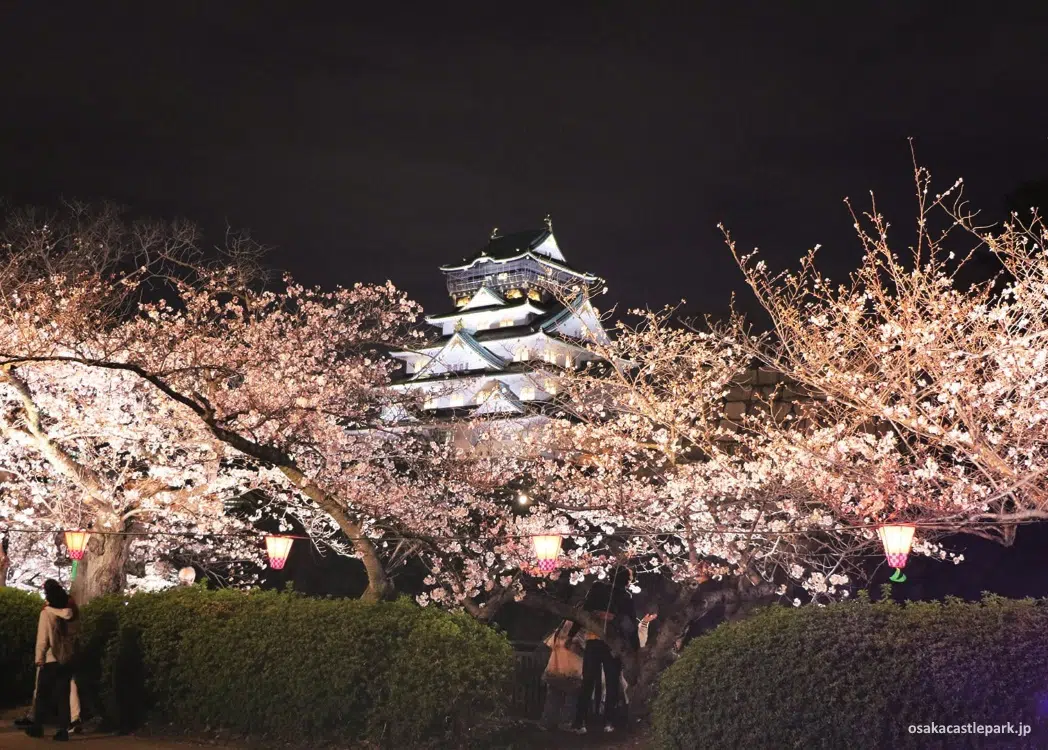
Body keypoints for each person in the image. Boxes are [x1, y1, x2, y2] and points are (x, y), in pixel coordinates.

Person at [15, 597, 82, 733]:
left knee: (41, 691)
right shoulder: (72, 613)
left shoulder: (47, 613)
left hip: (50, 657)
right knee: (68, 690)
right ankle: (72, 721)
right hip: (68, 656)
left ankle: (36, 722)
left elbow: (42, 638)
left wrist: (39, 658)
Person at [572, 609, 619, 734]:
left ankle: (609, 720)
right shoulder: (595, 596)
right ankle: (580, 720)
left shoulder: (621, 597)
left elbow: (626, 618)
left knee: (612, 683)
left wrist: (613, 618)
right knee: (587, 681)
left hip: (613, 642)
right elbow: (582, 615)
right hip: (593, 641)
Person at [539, 619, 584, 731]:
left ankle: (547, 722)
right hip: (572, 669)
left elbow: (550, 644)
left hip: (555, 667)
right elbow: (578, 649)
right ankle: (565, 723)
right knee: (571, 698)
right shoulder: (579, 630)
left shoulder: (560, 628)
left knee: (553, 698)